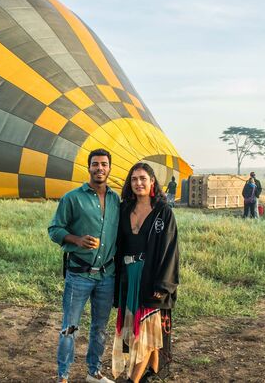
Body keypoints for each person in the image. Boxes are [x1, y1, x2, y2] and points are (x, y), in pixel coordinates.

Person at [48, 148, 120, 383]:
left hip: (107, 275)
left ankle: (94, 372)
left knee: (100, 327)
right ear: (88, 167)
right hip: (79, 275)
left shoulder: (115, 199)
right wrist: (76, 240)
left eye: (104, 164)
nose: (100, 168)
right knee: (70, 327)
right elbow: (55, 229)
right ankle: (63, 376)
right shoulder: (72, 198)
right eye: (96, 164)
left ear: (110, 168)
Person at [112, 162, 179, 383]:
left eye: (143, 178)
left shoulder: (163, 212)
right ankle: (152, 372)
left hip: (151, 277)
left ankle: (134, 379)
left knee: (147, 330)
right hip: (128, 276)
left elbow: (170, 250)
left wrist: (163, 286)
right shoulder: (123, 209)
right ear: (129, 183)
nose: (138, 183)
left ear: (152, 182)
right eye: (134, 179)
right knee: (133, 329)